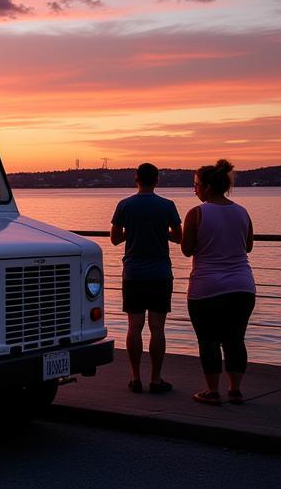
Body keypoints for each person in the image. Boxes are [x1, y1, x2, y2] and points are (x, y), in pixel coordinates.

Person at [181, 158, 256, 407]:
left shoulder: (197, 213)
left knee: (208, 340)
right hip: (242, 285)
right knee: (235, 339)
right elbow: (248, 246)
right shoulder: (242, 211)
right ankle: (235, 390)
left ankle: (212, 391)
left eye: (196, 184)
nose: (194, 189)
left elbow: (187, 250)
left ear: (208, 188)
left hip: (207, 287)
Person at [110, 162, 182, 394]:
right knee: (157, 328)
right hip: (160, 273)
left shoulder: (125, 205)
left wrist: (132, 233)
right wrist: (162, 233)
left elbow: (114, 239)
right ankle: (156, 379)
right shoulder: (167, 206)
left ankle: (135, 377)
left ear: (136, 179)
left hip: (133, 274)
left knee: (135, 326)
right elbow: (179, 238)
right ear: (157, 180)